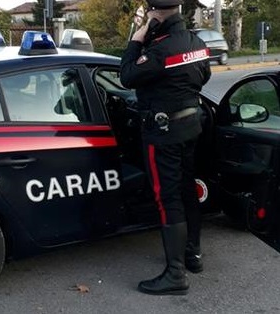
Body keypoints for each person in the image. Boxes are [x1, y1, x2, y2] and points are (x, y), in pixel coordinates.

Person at [120, 0, 211, 295]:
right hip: (191, 127)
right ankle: (192, 256)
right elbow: (204, 76)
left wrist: (136, 39)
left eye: (149, 15)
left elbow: (127, 76)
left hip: (164, 133)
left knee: (167, 199)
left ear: (157, 15)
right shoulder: (196, 42)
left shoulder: (159, 50)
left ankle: (175, 275)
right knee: (187, 190)